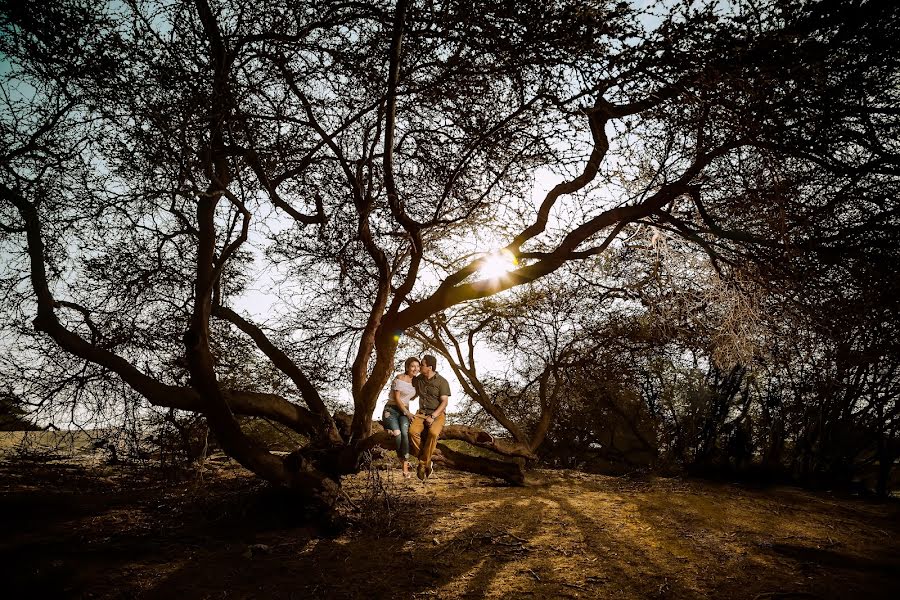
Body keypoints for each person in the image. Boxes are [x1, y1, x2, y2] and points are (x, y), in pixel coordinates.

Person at [409, 354, 451, 481]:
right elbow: (412, 394)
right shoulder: (418, 380)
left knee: (433, 433)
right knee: (412, 432)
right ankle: (427, 462)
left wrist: (433, 416)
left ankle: (422, 464)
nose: (420, 367)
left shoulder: (442, 381)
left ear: (430, 367)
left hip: (437, 414)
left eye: (422, 365)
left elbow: (444, 402)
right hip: (421, 413)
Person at [382, 357, 419, 478]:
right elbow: (397, 399)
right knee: (397, 434)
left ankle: (405, 468)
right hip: (391, 410)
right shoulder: (399, 378)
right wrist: (407, 413)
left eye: (418, 366)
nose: (415, 369)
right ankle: (401, 459)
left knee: (405, 433)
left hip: (405, 411)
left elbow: (411, 397)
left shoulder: (417, 382)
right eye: (413, 366)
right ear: (407, 367)